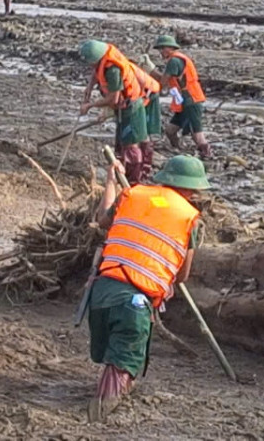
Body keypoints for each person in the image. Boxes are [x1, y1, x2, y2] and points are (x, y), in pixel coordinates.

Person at [85, 155, 208, 421]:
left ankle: (108, 397)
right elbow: (182, 274)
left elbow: (102, 220)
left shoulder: (132, 194)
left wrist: (110, 182)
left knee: (109, 351)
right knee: (125, 357)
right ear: (191, 189)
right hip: (135, 303)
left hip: (101, 292)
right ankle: (101, 413)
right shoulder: (190, 219)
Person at [79, 40, 161, 184]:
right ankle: (137, 171)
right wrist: (89, 87)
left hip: (132, 107)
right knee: (127, 140)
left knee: (131, 144)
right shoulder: (103, 60)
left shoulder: (113, 70)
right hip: (125, 107)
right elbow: (96, 71)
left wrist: (90, 106)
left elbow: (113, 99)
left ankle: (134, 179)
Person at [153, 35, 212, 160]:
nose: (161, 52)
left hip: (191, 100)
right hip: (184, 101)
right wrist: (151, 70)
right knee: (170, 130)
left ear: (170, 48)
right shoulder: (175, 60)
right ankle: (179, 150)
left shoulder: (174, 61)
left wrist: (150, 73)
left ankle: (206, 155)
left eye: (162, 48)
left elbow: (163, 82)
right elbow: (166, 80)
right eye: (160, 49)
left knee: (197, 134)